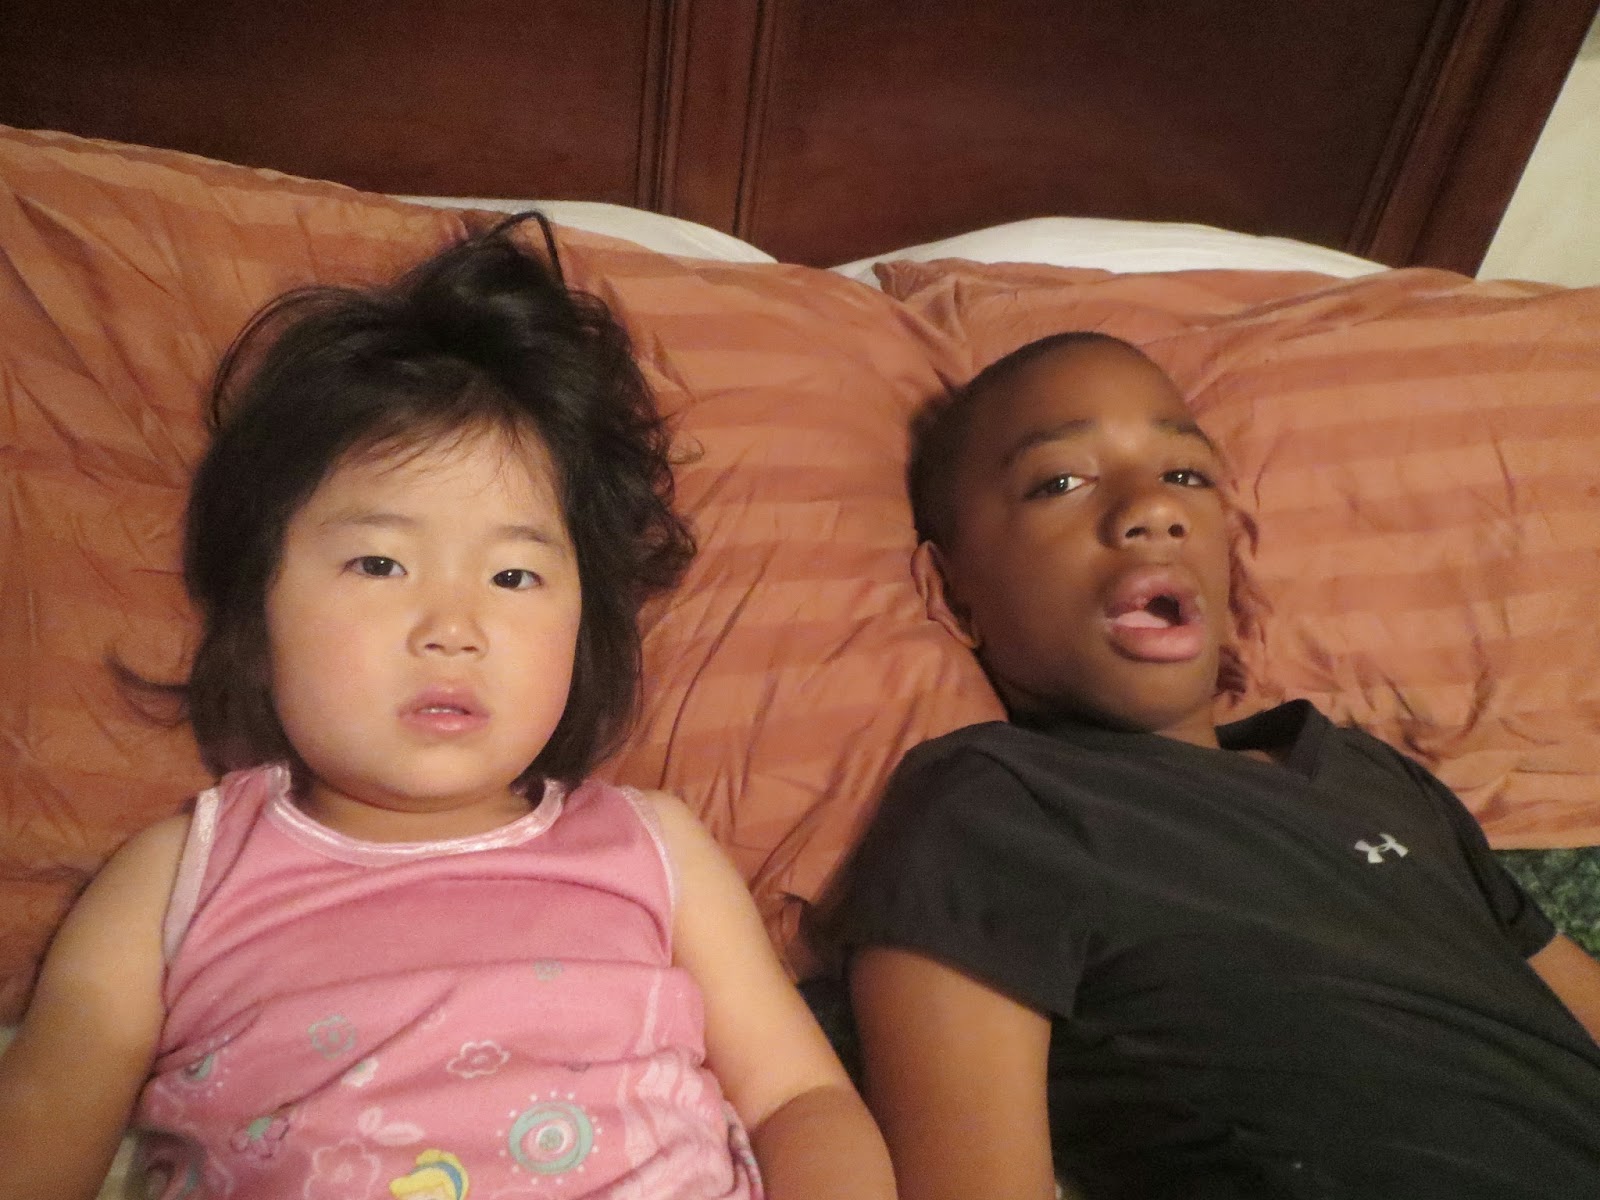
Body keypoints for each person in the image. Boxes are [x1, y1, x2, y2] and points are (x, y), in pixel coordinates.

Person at [0, 216, 895, 1200]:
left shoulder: (655, 849)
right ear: (257, 606)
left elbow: (800, 1101)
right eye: (380, 563)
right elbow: (41, 1124)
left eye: (514, 576)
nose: (452, 629)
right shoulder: (183, 871)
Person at [830, 331, 1600, 1200]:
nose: (1154, 509)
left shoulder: (1374, 773)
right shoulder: (997, 804)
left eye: (1186, 475)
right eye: (1061, 483)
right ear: (950, 591)